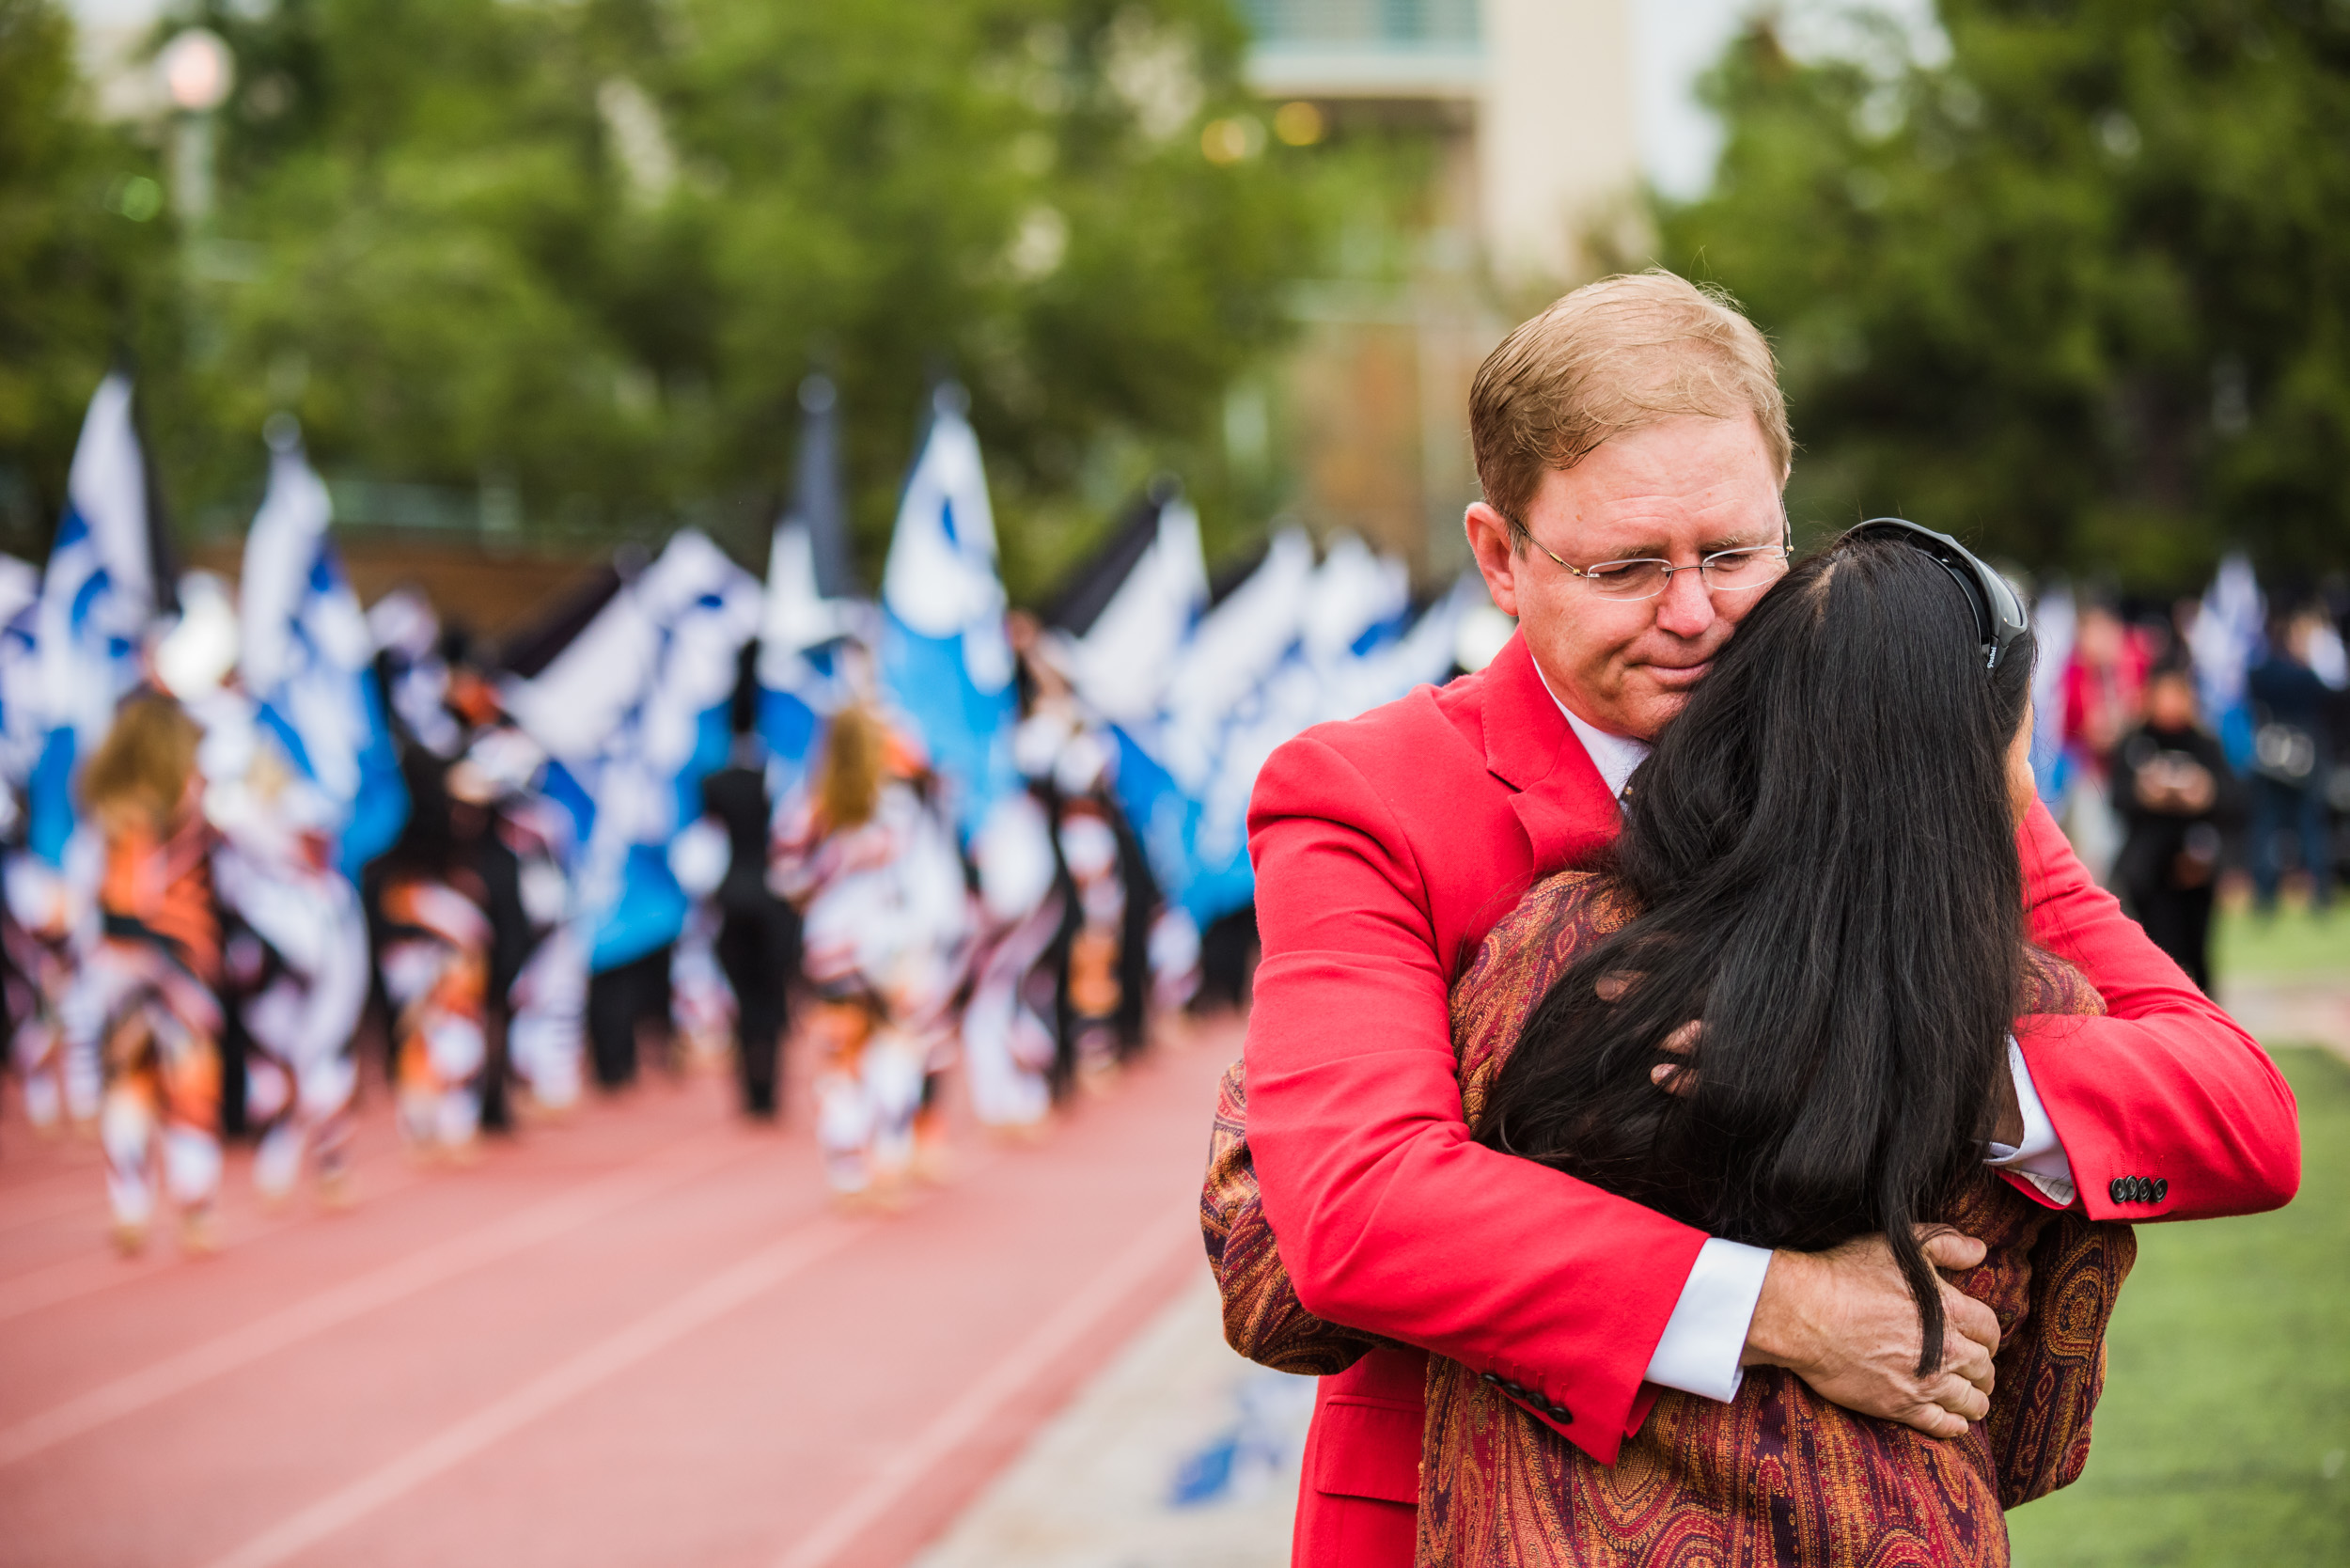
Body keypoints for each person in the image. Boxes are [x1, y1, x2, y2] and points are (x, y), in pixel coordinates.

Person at [1211, 272, 2300, 1566]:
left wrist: (1902, 1065)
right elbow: (1362, 1214)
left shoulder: (1910, 765)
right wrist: (1785, 1308)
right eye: (1626, 567)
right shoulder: (1366, 794)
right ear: (1501, 559)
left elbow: (2242, 1115)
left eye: (1733, 555)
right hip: (1473, 1522)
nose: (1693, 615)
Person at [1215, 529, 2138, 1561]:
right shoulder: (2043, 1017)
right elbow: (2038, 1434)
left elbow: (1279, 1289)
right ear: (1979, 762)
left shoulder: (1564, 956)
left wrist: (1293, 1066)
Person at [76, 693, 227, 1253]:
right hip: (176, 959)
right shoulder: (182, 800)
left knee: (129, 1081)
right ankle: (195, 1207)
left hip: (118, 960)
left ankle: (131, 1206)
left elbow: (99, 890)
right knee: (189, 1081)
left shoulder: (108, 805)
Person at [2111, 663, 2239, 990]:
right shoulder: (2136, 741)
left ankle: (2207, 1015)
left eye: (2177, 694)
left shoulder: (2204, 743)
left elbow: (2234, 798)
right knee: (2156, 951)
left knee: (2198, 952)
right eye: (2162, 693)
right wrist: (2147, 792)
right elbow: (2118, 797)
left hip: (2196, 866)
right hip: (2149, 868)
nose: (2169, 703)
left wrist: (2203, 791)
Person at [2247, 609, 2336, 913]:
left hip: (2274, 756)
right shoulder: (2304, 673)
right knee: (2306, 826)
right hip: (2298, 756)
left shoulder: (2262, 670)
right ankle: (2318, 891)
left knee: (2271, 827)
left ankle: (2266, 894)